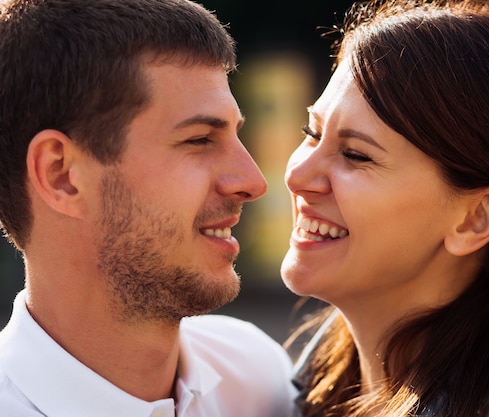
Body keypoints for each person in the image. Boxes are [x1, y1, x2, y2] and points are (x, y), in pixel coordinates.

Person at [280, 0, 489, 416]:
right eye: (312, 132)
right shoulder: (291, 381)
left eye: (356, 155)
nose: (298, 175)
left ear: (475, 218)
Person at [0, 0, 297, 416]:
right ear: (62, 175)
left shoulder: (256, 378)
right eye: (199, 140)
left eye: (235, 136)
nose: (253, 182)